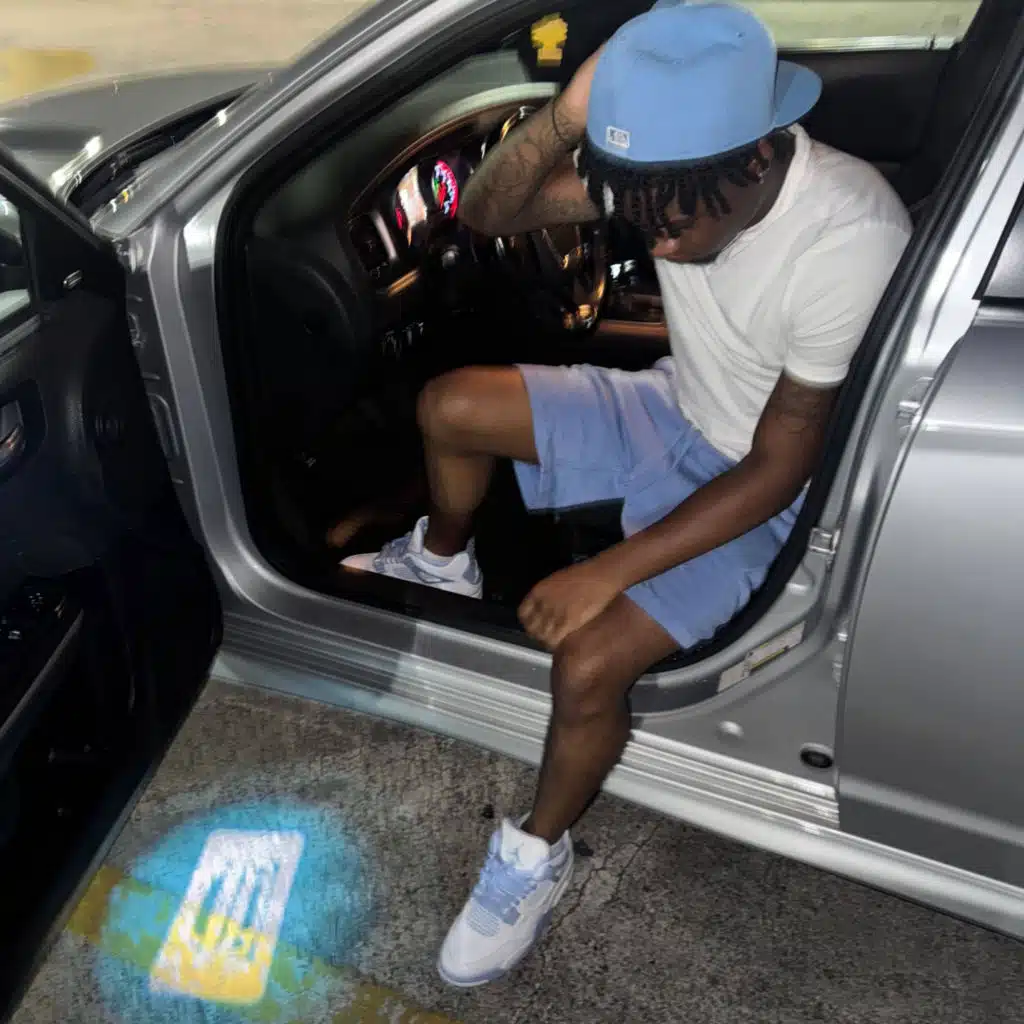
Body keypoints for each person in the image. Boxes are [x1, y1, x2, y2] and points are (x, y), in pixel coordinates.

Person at [343, 0, 912, 987]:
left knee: (587, 665)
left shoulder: (849, 238)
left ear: (754, 155)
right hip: (674, 403)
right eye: (633, 212)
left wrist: (605, 572)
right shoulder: (662, 179)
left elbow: (780, 465)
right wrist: (570, 115)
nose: (656, 241)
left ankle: (536, 851)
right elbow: (490, 213)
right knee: (449, 407)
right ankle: (440, 561)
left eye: (672, 220)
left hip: (763, 481)